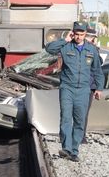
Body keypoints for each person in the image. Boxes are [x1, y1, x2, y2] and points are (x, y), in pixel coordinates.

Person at [45, 21, 104, 162]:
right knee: (66, 117)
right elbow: (49, 49)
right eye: (76, 34)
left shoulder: (91, 50)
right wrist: (64, 40)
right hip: (67, 88)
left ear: (85, 34)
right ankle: (66, 148)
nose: (78, 37)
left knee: (79, 121)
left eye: (81, 34)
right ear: (73, 33)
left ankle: (74, 151)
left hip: (83, 90)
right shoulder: (66, 46)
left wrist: (99, 88)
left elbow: (97, 71)